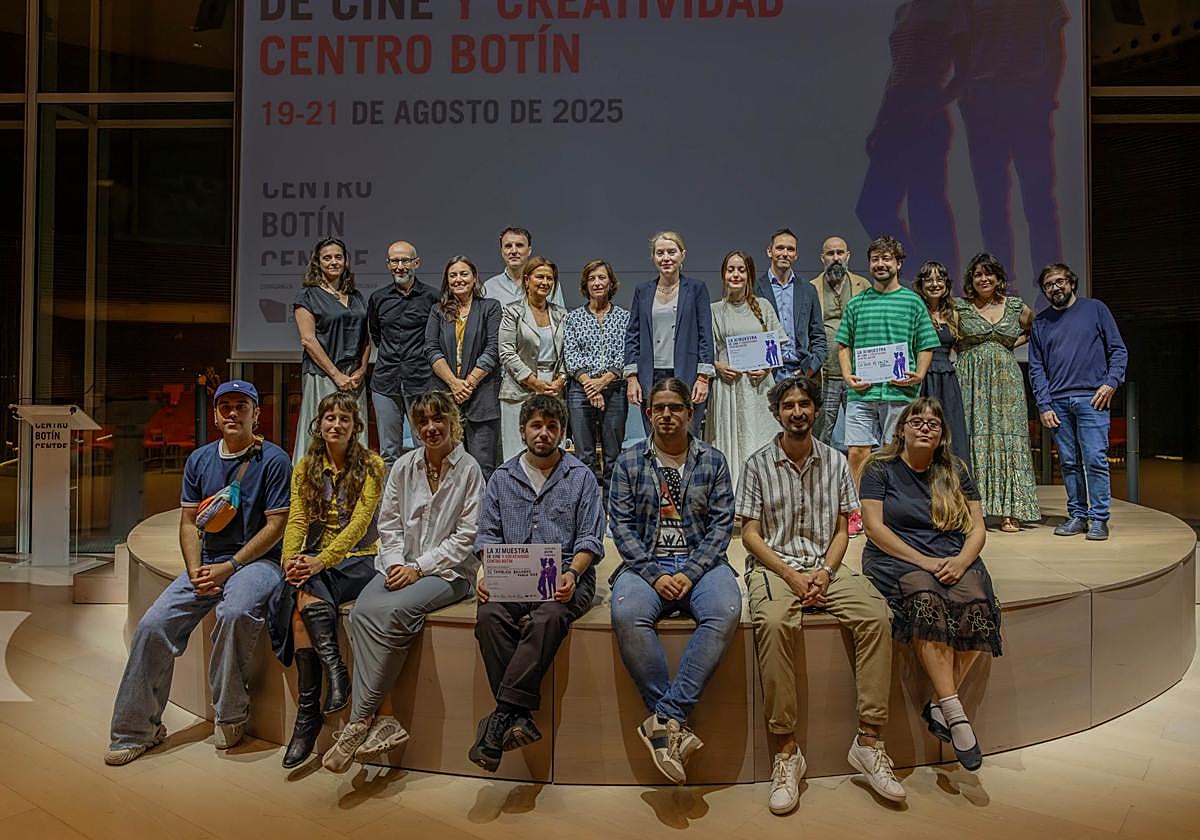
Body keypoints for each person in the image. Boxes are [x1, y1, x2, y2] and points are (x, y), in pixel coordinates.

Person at [739, 376, 905, 814]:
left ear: (816, 411)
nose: (797, 412)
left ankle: (869, 742)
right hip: (775, 566)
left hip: (825, 566)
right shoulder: (757, 463)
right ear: (777, 413)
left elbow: (841, 529)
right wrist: (791, 577)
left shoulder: (835, 462)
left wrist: (826, 572)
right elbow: (750, 535)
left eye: (805, 404)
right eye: (789, 405)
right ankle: (787, 752)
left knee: (875, 615)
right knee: (774, 623)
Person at [105, 380, 291, 765]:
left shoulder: (273, 460)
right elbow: (189, 523)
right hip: (208, 563)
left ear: (257, 413)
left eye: (242, 406)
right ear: (216, 415)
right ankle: (137, 730)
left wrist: (230, 567)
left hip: (257, 563)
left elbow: (276, 526)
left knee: (235, 612)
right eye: (226, 407)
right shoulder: (200, 460)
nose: (233, 413)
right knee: (153, 624)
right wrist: (195, 570)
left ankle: (230, 714)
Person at [321, 392, 484, 772]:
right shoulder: (403, 466)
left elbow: (466, 537)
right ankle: (387, 717)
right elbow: (388, 525)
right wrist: (396, 563)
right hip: (398, 565)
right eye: (422, 422)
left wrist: (419, 568)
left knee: (392, 612)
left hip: (449, 572)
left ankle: (359, 720)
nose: (430, 428)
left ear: (452, 423)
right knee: (361, 612)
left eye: (437, 420)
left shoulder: (471, 469)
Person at [608, 378, 740, 785]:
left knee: (726, 608)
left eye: (675, 407)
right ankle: (670, 723)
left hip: (701, 563)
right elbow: (622, 528)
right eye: (659, 407)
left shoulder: (713, 460)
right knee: (627, 612)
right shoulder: (629, 462)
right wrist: (656, 574)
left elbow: (722, 526)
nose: (667, 415)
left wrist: (688, 572)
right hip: (646, 563)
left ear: (690, 412)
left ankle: (665, 718)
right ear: (648, 412)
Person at [859, 397, 1001, 771]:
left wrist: (962, 561)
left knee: (977, 605)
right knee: (927, 599)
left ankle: (939, 704)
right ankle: (955, 713)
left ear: (941, 436)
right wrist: (924, 561)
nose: (925, 427)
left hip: (952, 556)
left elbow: (978, 527)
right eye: (917, 421)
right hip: (898, 559)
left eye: (933, 424)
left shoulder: (955, 469)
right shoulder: (879, 468)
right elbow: (874, 528)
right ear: (901, 429)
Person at [469, 394, 605, 773]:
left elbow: (590, 540)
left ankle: (500, 716)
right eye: (536, 426)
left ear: (562, 432)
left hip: (564, 579)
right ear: (522, 430)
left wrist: (572, 574)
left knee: (548, 618)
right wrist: (485, 574)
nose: (543, 433)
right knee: (489, 617)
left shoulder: (581, 477)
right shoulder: (501, 477)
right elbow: (486, 537)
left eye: (551, 427)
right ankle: (515, 716)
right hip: (510, 579)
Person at [269, 391, 384, 768]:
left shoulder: (372, 465)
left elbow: (359, 525)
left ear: (356, 427)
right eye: (329, 418)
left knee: (303, 599)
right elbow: (298, 520)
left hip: (360, 559)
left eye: (344, 419)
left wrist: (320, 561)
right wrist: (290, 559)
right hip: (317, 560)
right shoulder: (305, 467)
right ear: (319, 424)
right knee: (301, 594)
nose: (336, 425)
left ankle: (309, 716)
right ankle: (331, 679)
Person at [835, 235, 940, 535]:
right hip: (862, 392)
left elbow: (926, 344)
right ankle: (857, 510)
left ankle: (892, 509)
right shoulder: (857, 303)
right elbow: (843, 344)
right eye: (875, 259)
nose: (880, 264)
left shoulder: (912, 301)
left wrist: (919, 374)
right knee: (856, 451)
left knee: (896, 452)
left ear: (898, 263)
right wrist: (847, 374)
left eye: (886, 259)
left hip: (900, 391)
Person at [856, 1, 966, 281]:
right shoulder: (903, 10)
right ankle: (921, 271)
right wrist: (881, 119)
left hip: (925, 112)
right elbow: (897, 72)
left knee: (926, 207)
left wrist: (932, 103)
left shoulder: (951, 9)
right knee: (871, 207)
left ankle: (943, 283)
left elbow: (965, 69)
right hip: (895, 111)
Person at [1029, 263, 1128, 541]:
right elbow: (1036, 368)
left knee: (1095, 459)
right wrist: (1044, 405)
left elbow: (1118, 350)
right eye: (1048, 284)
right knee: (1069, 463)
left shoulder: (1095, 309)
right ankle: (1077, 515)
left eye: (1059, 281)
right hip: (1057, 403)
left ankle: (1098, 519)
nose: (1054, 287)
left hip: (1091, 398)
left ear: (1071, 282)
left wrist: (1111, 382)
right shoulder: (1041, 322)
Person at [954, 252, 1039, 532]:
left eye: (988, 273)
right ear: (971, 280)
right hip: (970, 381)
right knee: (972, 436)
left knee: (1007, 438)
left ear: (999, 278)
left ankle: (1009, 511)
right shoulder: (960, 308)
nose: (983, 278)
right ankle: (969, 510)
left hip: (1006, 382)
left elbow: (1037, 329)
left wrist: (1009, 344)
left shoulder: (1015, 307)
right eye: (978, 274)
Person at [706, 250, 789, 491]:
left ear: (749, 275)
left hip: (759, 387)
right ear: (723, 275)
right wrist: (718, 366)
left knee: (758, 438)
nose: (735, 274)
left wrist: (765, 367)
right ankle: (730, 494)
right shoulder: (714, 311)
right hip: (728, 387)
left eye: (741, 270)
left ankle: (762, 492)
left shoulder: (763, 306)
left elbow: (777, 347)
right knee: (729, 441)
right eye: (731, 270)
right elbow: (706, 354)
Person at [624, 231, 715, 436]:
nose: (666, 258)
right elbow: (632, 336)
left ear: (682, 255)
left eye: (671, 252)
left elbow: (705, 335)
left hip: (687, 373)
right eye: (660, 253)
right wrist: (631, 378)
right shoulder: (643, 291)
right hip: (651, 376)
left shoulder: (696, 289)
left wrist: (703, 378)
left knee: (687, 434)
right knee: (655, 434)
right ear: (653, 257)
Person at [425, 256, 503, 479]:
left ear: (475, 278)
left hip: (482, 397)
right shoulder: (437, 311)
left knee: (483, 467)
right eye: (453, 275)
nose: (459, 279)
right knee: (448, 467)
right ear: (447, 281)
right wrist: (453, 383)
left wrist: (468, 384)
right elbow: (431, 348)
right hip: (446, 397)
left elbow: (493, 349)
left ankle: (482, 514)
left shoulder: (490, 307)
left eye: (464, 274)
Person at [293, 237, 370, 463]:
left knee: (355, 432)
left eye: (338, 257)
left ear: (346, 261)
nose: (333, 262)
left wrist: (362, 369)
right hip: (323, 375)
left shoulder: (356, 297)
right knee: (323, 433)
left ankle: (357, 489)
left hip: (354, 378)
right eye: (327, 258)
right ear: (318, 263)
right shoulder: (307, 295)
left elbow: (366, 337)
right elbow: (308, 340)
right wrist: (337, 376)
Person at [367, 240, 439, 470]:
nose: (400, 266)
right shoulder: (378, 299)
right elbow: (376, 334)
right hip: (385, 382)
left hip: (421, 381)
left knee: (424, 446)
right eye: (394, 261)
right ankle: (392, 505)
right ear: (388, 265)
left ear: (416, 263)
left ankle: (424, 503)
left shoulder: (432, 297)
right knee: (389, 451)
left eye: (405, 260)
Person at [563, 259, 631, 498]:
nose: (597, 282)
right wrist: (590, 388)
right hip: (580, 391)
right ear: (585, 284)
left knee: (613, 455)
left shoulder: (625, 317)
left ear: (611, 282)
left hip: (614, 390)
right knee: (585, 455)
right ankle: (589, 509)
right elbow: (570, 356)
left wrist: (602, 384)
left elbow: (627, 354)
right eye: (591, 278)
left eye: (602, 277)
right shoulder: (573, 318)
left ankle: (613, 510)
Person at [498, 256, 567, 461]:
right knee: (515, 454)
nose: (545, 282)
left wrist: (561, 380)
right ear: (527, 280)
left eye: (550, 278)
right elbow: (506, 351)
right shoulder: (512, 311)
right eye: (540, 277)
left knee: (551, 452)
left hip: (554, 389)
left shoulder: (562, 314)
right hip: (518, 390)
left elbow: (568, 352)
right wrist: (533, 382)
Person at [809, 236, 871, 451]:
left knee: (861, 433)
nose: (836, 258)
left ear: (848, 256)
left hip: (857, 373)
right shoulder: (811, 288)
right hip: (826, 374)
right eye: (830, 253)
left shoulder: (863, 285)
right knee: (821, 433)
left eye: (840, 253)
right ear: (822, 258)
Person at [914, 260, 971, 465]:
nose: (935, 284)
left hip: (947, 379)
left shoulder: (953, 313)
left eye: (939, 279)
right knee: (923, 430)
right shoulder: (915, 311)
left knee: (951, 432)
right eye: (929, 280)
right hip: (922, 377)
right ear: (921, 285)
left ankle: (953, 487)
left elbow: (964, 346)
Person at [753, 228, 826, 380]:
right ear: (769, 251)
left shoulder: (808, 290)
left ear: (796, 255)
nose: (785, 253)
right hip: (766, 374)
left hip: (801, 372)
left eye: (790, 249)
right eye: (779, 248)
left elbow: (818, 335)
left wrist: (811, 368)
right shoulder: (754, 289)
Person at [483, 226, 566, 307]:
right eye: (508, 246)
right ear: (502, 251)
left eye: (519, 245)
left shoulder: (547, 283)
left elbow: (559, 318)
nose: (514, 251)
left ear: (529, 251)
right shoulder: (489, 287)